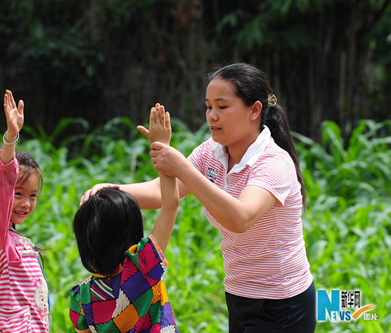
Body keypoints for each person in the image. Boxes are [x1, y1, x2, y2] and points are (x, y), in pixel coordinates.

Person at [81, 63, 316, 333]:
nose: (212, 116)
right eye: (208, 107)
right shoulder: (211, 152)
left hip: (282, 301)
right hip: (238, 294)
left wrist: (181, 167)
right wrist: (110, 188)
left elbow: (240, 218)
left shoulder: (273, 163)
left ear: (254, 110)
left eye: (222, 107)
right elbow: (161, 192)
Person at [70, 105, 179, 333]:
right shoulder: (143, 269)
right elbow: (170, 204)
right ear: (131, 232)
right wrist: (162, 149)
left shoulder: (82, 296)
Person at [0, 90, 50, 333]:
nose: (26, 203)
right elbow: (2, 187)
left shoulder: (21, 243)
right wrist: (10, 138)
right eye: (17, 193)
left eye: (32, 195)